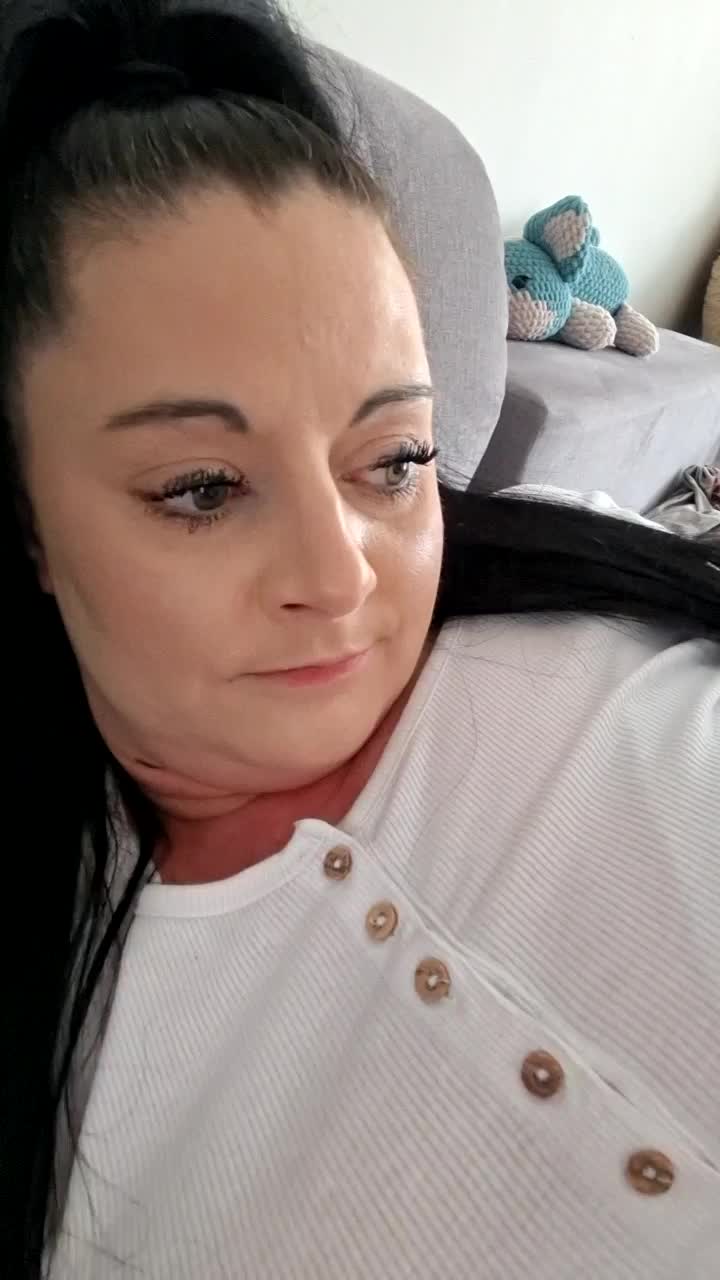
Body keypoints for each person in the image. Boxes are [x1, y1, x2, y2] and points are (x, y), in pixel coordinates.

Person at [1, 1, 718, 1276]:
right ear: (31, 523)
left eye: (394, 459)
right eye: (203, 488)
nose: (342, 578)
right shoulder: (86, 1122)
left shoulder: (617, 609)